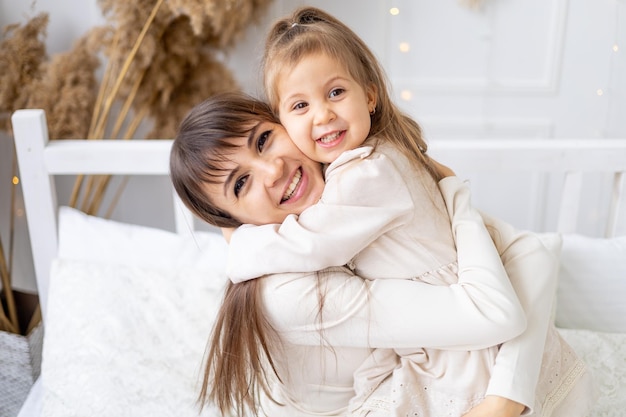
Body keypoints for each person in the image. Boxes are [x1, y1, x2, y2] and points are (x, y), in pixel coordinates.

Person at [220, 7, 592, 417]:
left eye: (336, 93)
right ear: (285, 119)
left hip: (471, 351)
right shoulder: (363, 166)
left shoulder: (371, 173)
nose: (323, 114)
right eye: (299, 105)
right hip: (452, 335)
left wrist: (238, 244)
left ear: (370, 95)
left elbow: (312, 244)